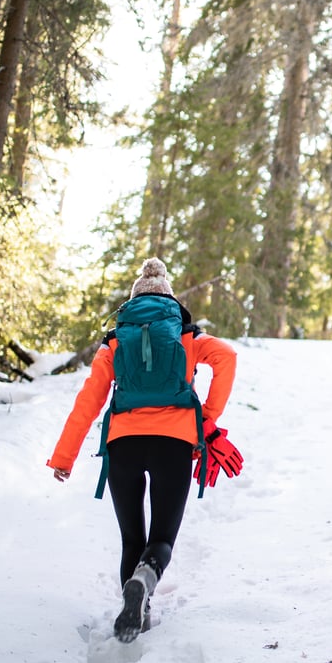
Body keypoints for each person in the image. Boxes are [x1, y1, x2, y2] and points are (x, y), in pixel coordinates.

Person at [47, 258, 241, 643]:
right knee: (161, 539)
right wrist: (207, 418)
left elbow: (88, 402)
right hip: (175, 443)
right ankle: (146, 578)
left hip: (124, 446)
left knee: (131, 539)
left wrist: (64, 457)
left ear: (132, 305)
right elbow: (227, 358)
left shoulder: (117, 341)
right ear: (170, 302)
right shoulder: (187, 336)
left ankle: (136, 613)